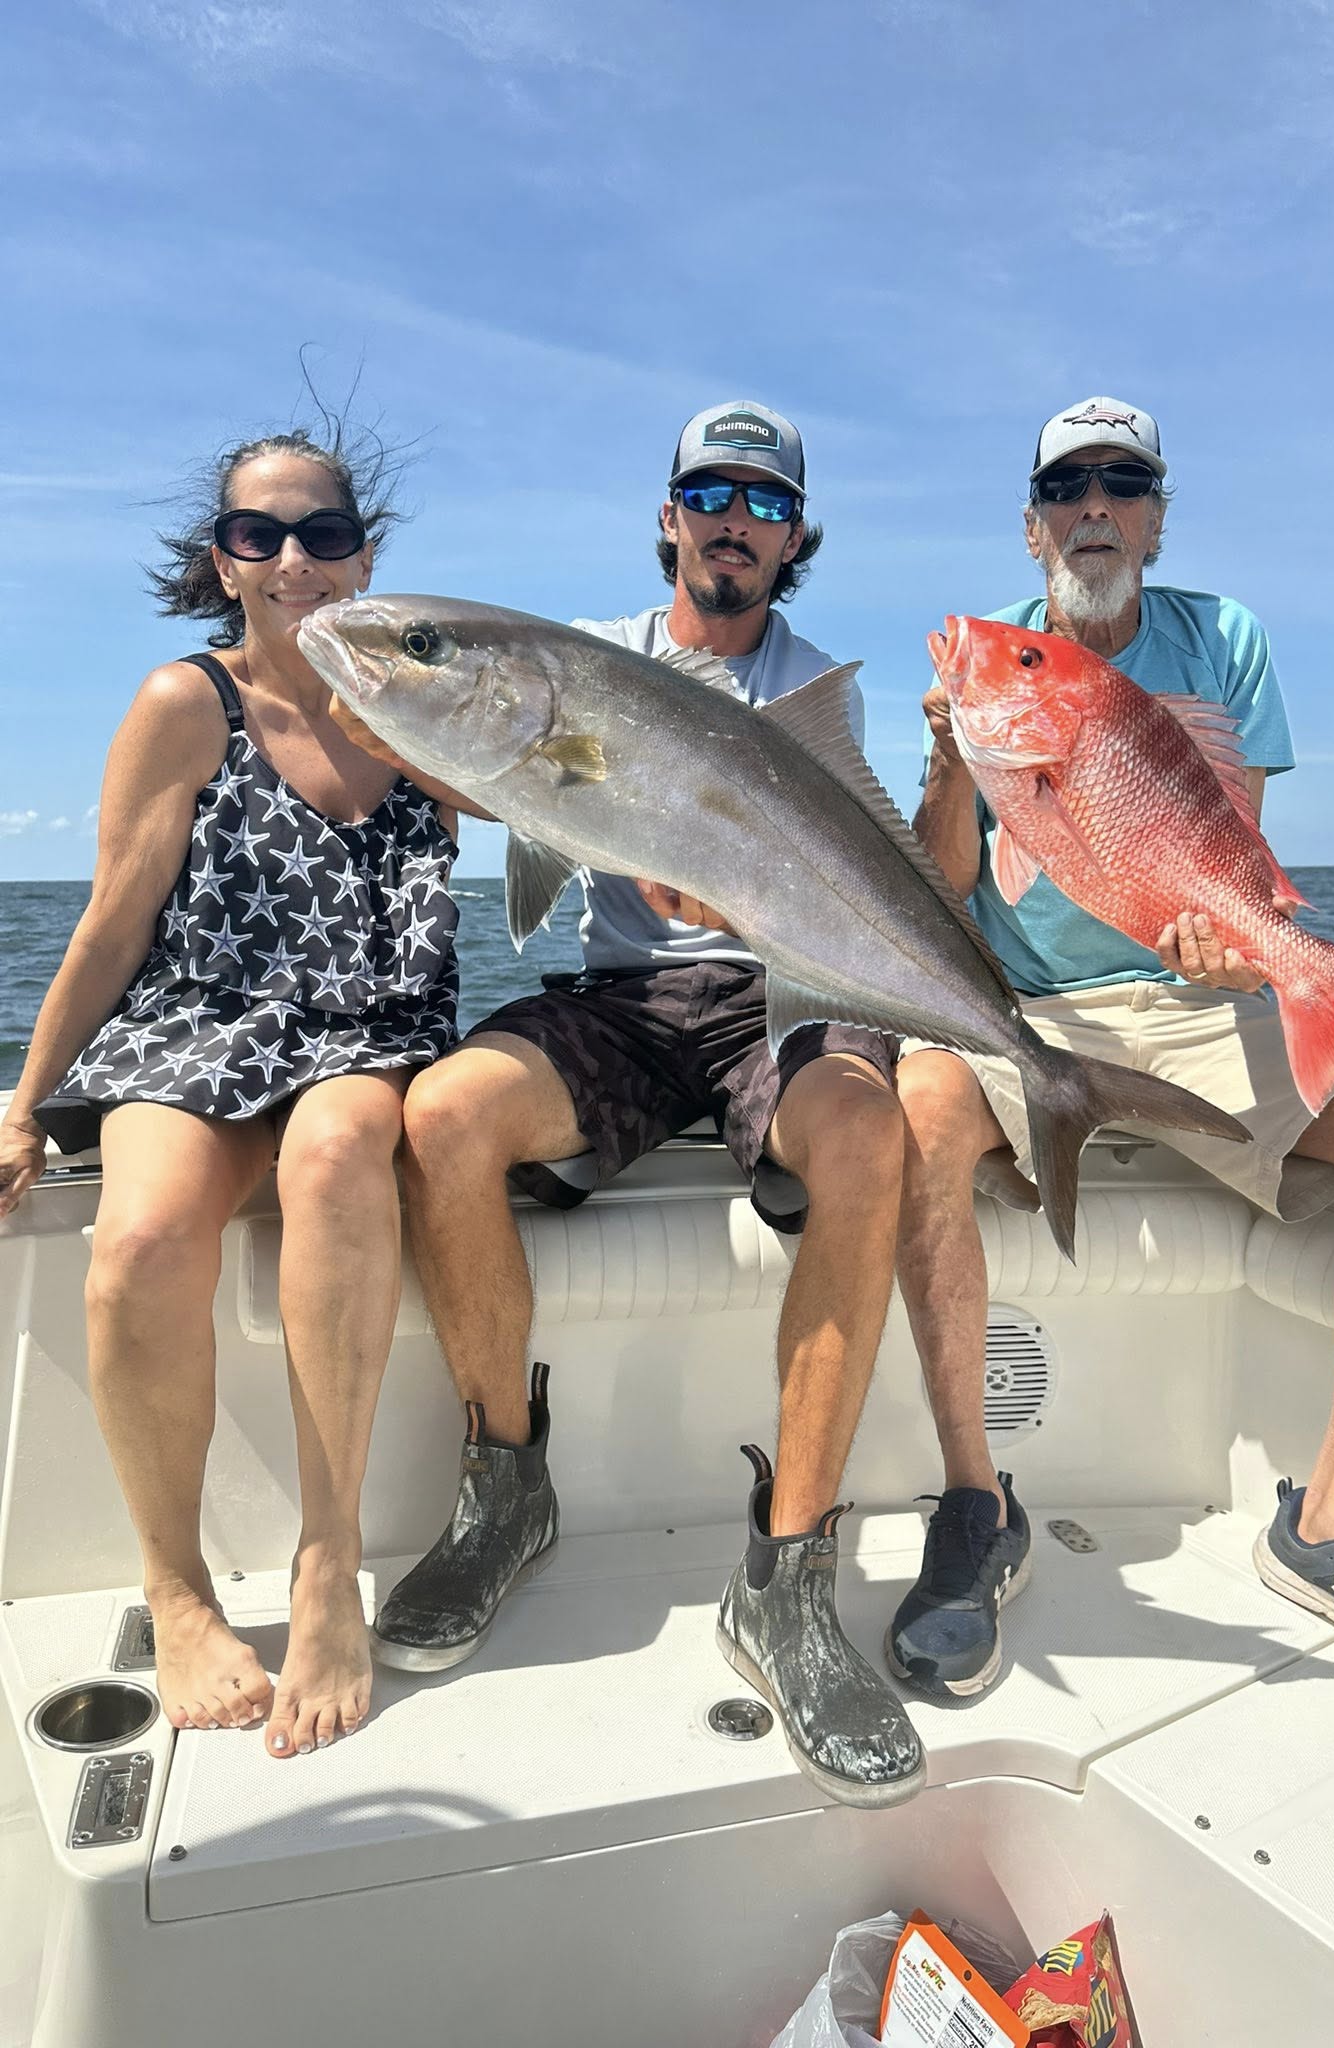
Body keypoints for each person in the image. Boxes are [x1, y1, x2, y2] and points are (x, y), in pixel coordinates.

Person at [890, 395, 1334, 1715]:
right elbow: (946, 894)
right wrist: (955, 766)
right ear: (1034, 520)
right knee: (915, 1104)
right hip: (1031, 1015)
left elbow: (1225, 856)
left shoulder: (1225, 639)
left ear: (1158, 518)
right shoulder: (997, 671)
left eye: (1122, 483)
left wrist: (1243, 949)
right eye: (1067, 487)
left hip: (1196, 996)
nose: (1093, 507)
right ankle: (975, 1505)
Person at [350, 401, 925, 1807]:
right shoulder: (587, 661)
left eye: (767, 504)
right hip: (627, 1000)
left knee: (865, 1135)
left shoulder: (816, 694)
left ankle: (786, 1577)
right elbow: (497, 758)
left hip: (780, 985)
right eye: (710, 493)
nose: (736, 520)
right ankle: (505, 1486)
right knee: (443, 1120)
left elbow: (863, 884)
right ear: (669, 515)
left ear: (794, 538)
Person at [0, 425, 460, 1759]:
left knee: (335, 1160)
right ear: (225, 561)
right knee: (137, 1238)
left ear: (363, 553)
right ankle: (177, 1584)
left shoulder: (424, 702)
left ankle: (328, 1565)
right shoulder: (182, 704)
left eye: (322, 532)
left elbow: (576, 801)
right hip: (198, 1024)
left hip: (368, 1027)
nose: (295, 559)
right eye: (261, 534)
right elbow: (113, 918)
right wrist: (25, 1100)